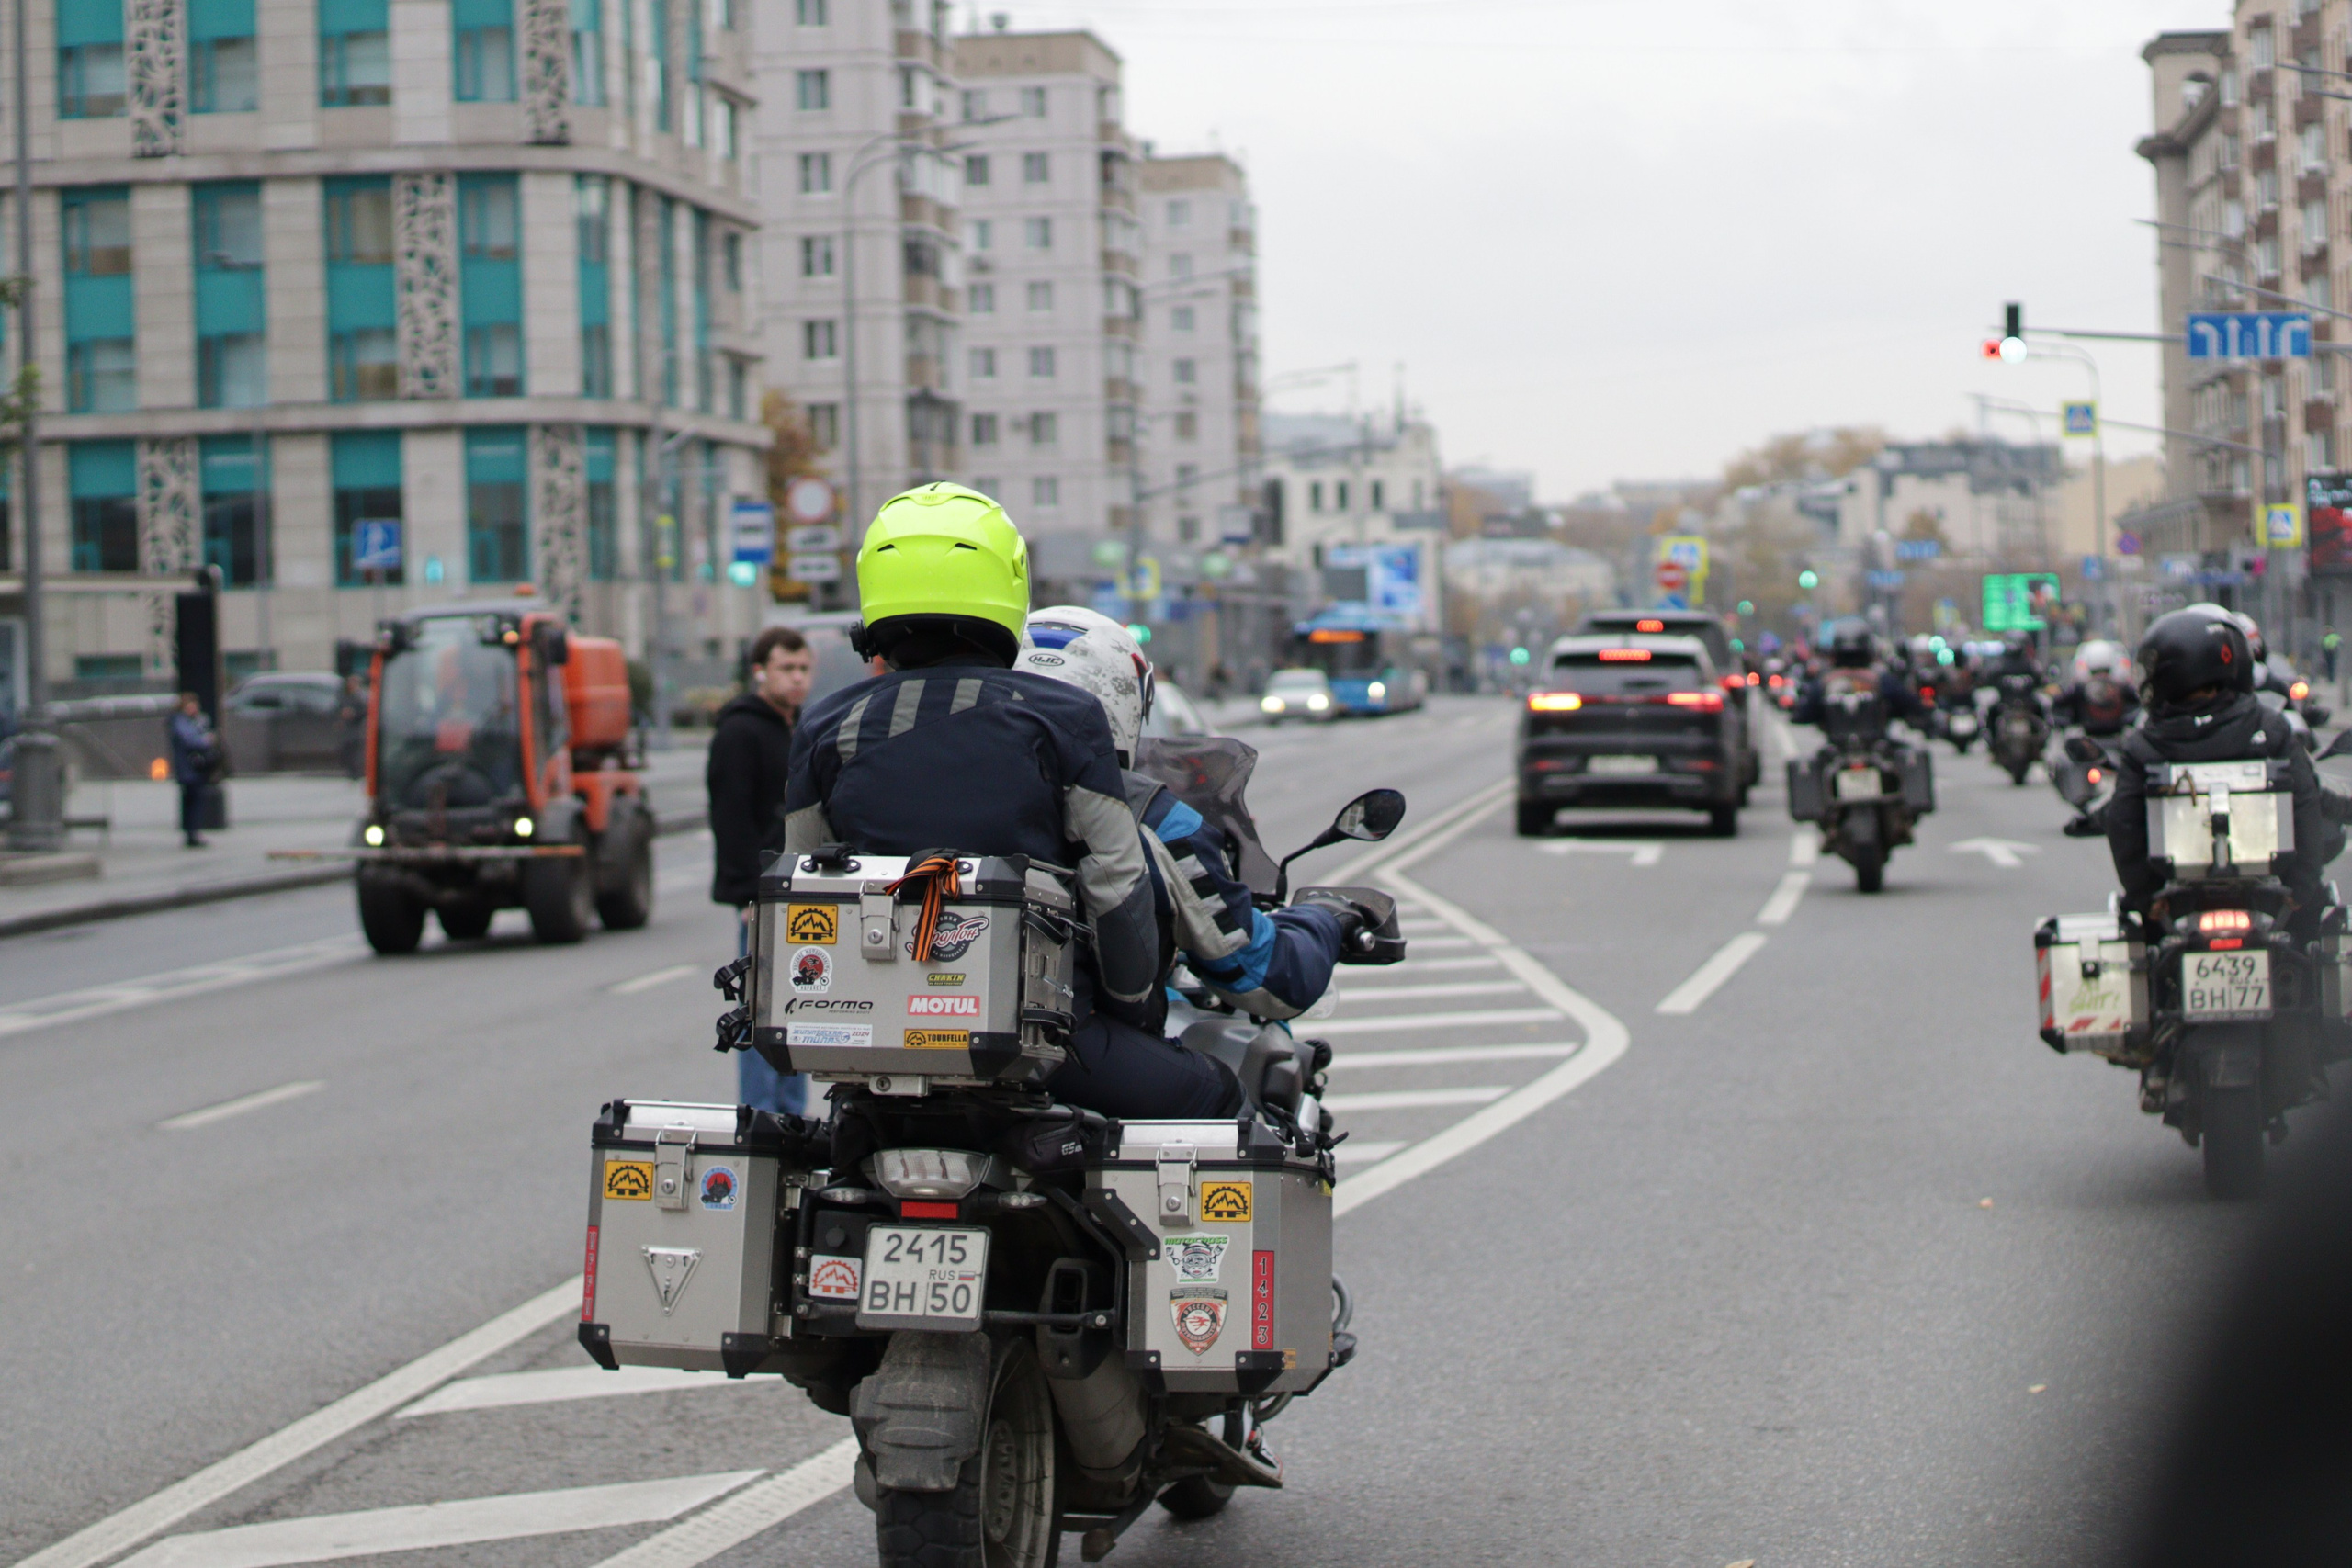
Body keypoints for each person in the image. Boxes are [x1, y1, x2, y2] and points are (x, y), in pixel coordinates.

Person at [782, 483, 1241, 1120]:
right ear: (1009, 584)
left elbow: (802, 884)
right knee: (1218, 1094)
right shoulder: (1064, 717)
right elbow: (1116, 884)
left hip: (874, 1060)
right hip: (1049, 1045)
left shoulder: (826, 726)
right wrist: (1132, 1010)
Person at [1012, 606, 1351, 1036]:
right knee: (1230, 1089)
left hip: (938, 1045)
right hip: (1088, 1049)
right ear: (1127, 698)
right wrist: (1325, 919)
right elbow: (1260, 973)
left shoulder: (971, 793)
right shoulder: (1151, 816)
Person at [2105, 608, 2324, 935]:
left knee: (2142, 939)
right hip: (2271, 899)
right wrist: (2302, 885)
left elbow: (2123, 821)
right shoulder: (2270, 727)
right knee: (2312, 938)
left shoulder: (2146, 745)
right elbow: (2307, 802)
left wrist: (2147, 897)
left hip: (2176, 902)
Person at [709, 625, 815, 1116]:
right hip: (761, 897)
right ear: (760, 672)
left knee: (799, 1012)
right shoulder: (739, 731)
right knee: (759, 1012)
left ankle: (791, 1117)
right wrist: (748, 895)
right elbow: (730, 818)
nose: (796, 679)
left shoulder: (797, 726)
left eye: (803, 669)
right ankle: (761, 1118)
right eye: (786, 669)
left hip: (801, 891)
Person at [2051, 638, 2140, 737]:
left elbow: (2139, 708)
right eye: (2096, 673)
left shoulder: (2125, 691)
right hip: (2086, 739)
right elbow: (2058, 711)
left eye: (2105, 672)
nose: (2101, 677)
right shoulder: (2077, 693)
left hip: (2120, 739)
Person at [168, 693, 219, 849]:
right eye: (191, 706)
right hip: (188, 769)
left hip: (195, 769)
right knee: (191, 801)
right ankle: (191, 832)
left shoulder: (195, 721)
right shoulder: (180, 721)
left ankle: (193, 831)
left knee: (195, 800)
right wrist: (205, 740)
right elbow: (190, 740)